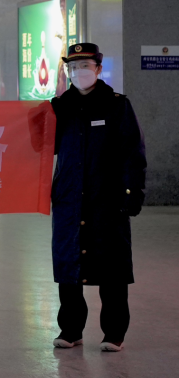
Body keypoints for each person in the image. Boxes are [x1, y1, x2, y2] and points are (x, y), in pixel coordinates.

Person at [50, 43, 146, 352]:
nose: (79, 72)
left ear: (99, 69)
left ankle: (114, 332)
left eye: (85, 65)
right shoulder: (60, 107)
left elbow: (133, 153)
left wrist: (133, 191)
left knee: (112, 267)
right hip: (69, 198)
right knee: (68, 266)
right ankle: (70, 330)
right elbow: (42, 147)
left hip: (107, 199)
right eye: (73, 67)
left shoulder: (117, 105)